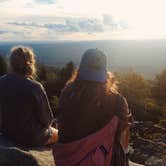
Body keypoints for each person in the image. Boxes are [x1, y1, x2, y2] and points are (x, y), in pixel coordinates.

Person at [53, 49, 132, 166]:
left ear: (80, 71)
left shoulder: (66, 93)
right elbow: (123, 139)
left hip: (65, 160)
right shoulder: (117, 101)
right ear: (105, 74)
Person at [0, 46, 58, 147]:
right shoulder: (35, 87)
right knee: (59, 134)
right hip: (30, 137)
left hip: (6, 132)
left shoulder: (1, 81)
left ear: (11, 64)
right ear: (30, 64)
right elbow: (47, 120)